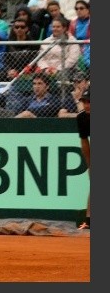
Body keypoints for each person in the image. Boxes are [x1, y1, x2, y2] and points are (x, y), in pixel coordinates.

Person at [76, 88, 90, 230]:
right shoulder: (82, 118)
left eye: (90, 102)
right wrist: (90, 165)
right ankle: (88, 220)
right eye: (84, 102)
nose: (87, 105)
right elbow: (84, 142)